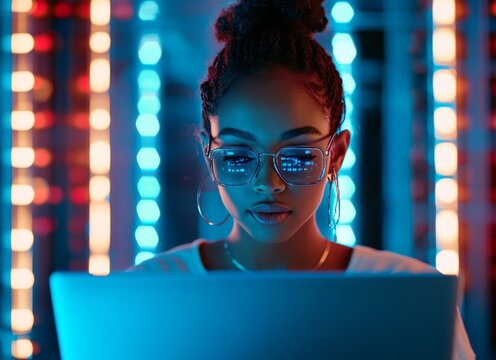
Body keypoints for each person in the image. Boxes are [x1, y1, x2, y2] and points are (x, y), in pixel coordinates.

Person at [126, 0, 476, 359]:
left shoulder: (412, 296)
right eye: (237, 156)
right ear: (208, 153)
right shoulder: (142, 295)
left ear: (336, 155)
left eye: (297, 157)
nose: (268, 183)